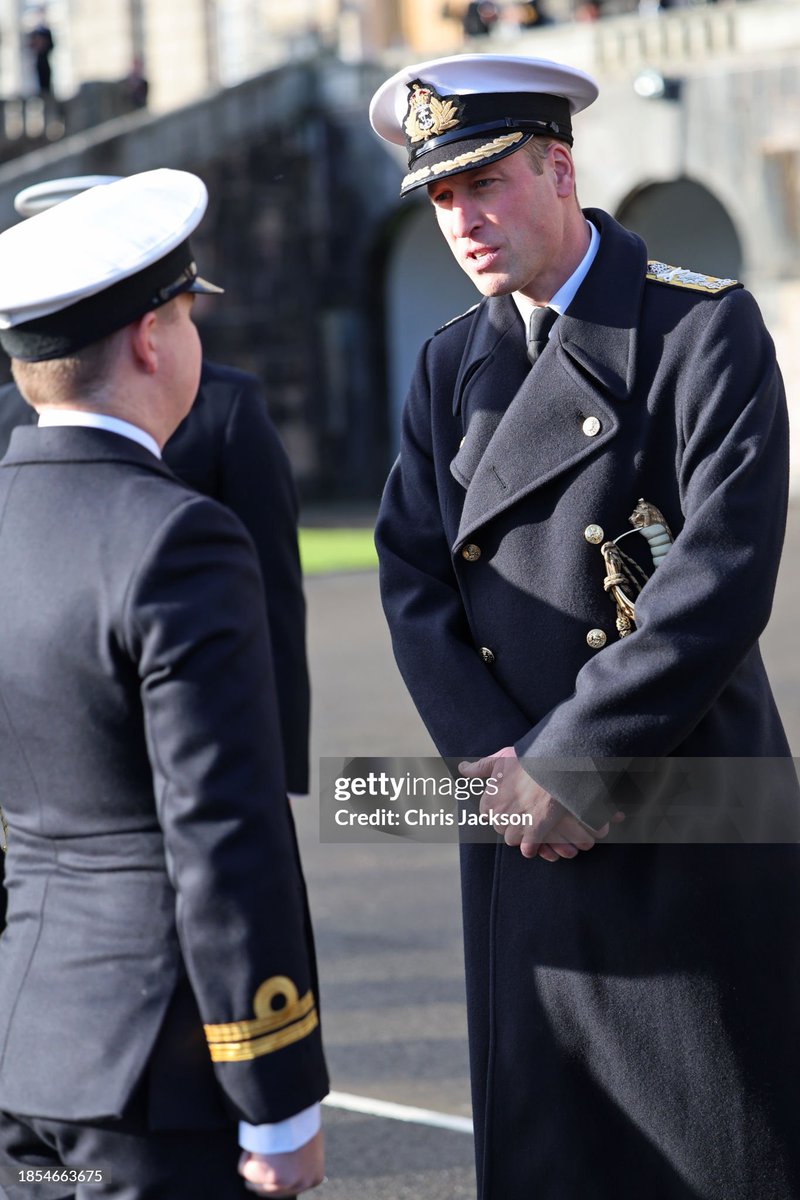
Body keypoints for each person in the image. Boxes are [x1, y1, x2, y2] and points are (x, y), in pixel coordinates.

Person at [369, 53, 800, 1198]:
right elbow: (412, 576)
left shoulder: (699, 333)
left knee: (713, 1148)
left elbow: (717, 579)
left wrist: (573, 763)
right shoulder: (447, 360)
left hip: (674, 806)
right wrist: (493, 767)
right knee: (559, 1154)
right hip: (517, 820)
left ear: (558, 168)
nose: (462, 218)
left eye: (485, 183)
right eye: (441, 197)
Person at [0, 169, 327, 1199]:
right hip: (157, 1071)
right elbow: (223, 831)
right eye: (186, 312)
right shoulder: (178, 539)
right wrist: (278, 1096)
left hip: (27, 1039)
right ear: (151, 339)